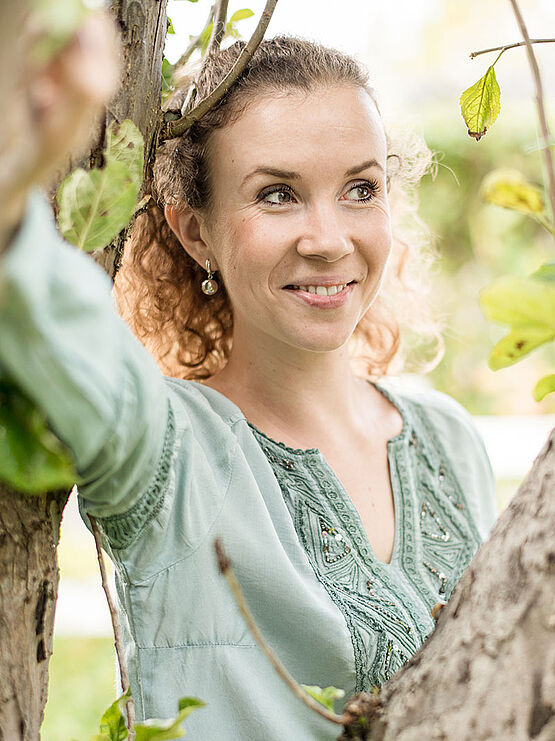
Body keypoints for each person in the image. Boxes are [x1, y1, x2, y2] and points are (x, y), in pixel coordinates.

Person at [0, 13, 497, 741]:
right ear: (193, 230)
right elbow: (56, 314)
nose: (328, 239)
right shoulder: (171, 455)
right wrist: (20, 169)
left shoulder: (451, 441)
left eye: (360, 189)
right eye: (276, 194)